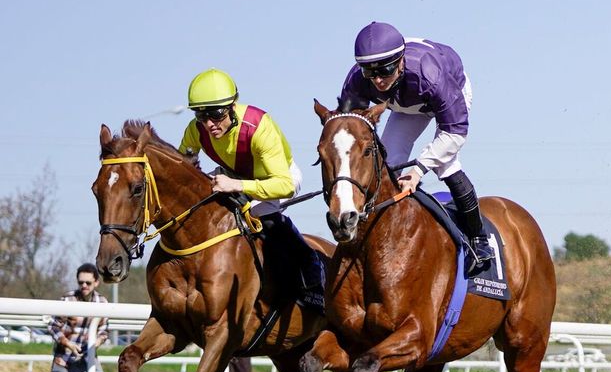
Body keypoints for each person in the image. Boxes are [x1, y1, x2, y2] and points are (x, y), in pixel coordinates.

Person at [337, 21, 493, 273]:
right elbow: (349, 128)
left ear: (399, 61)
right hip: (405, 105)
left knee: (445, 163)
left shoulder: (428, 73)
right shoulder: (357, 79)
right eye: (369, 72)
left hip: (447, 91)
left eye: (385, 70)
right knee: (389, 164)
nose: (377, 80)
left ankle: (479, 239)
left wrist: (419, 170)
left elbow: (455, 132)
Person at [181, 69, 324, 310]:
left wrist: (236, 185)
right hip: (234, 175)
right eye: (201, 116)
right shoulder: (197, 130)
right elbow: (183, 161)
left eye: (216, 115)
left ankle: (311, 269)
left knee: (260, 214)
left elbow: (285, 185)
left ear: (232, 106)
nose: (209, 124)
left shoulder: (259, 127)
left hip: (278, 177)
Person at [42, 265, 109, 372]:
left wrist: (97, 342)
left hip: (89, 360)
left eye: (88, 283)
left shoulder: (103, 303)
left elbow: (104, 331)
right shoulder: (67, 299)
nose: (84, 286)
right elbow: (53, 326)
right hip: (64, 359)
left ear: (96, 282)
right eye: (81, 283)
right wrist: (67, 343)